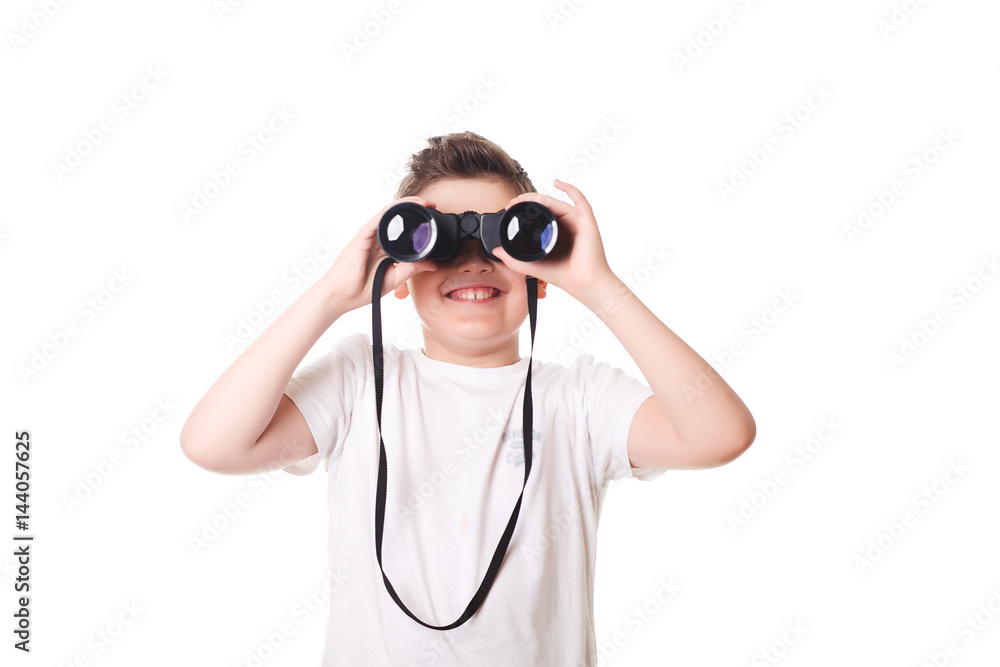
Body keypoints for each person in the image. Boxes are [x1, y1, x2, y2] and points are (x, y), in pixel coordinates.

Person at [180, 132, 756, 665]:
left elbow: (719, 434)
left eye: (504, 238)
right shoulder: (361, 382)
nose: (472, 259)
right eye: (441, 241)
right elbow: (213, 444)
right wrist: (333, 294)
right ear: (399, 276)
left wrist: (599, 285)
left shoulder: (578, 400)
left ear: (542, 271)